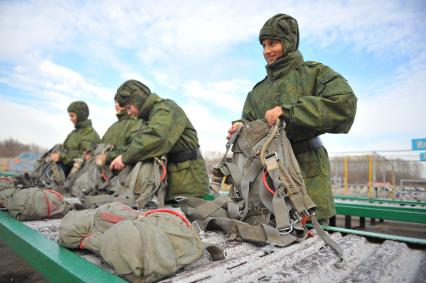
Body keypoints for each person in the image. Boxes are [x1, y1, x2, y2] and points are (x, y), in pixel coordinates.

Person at [227, 14, 357, 222]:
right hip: (268, 175)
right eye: (263, 45)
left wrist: (290, 112)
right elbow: (250, 125)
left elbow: (344, 105)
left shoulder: (314, 73)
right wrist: (240, 128)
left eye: (273, 43)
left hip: (307, 171)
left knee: (313, 234)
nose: (267, 51)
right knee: (273, 231)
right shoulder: (257, 92)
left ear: (288, 43)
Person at [110, 80, 209, 201]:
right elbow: (137, 142)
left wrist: (125, 157)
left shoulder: (165, 109)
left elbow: (155, 138)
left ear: (138, 100)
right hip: (173, 185)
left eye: (129, 107)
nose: (129, 112)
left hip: (189, 185)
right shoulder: (149, 118)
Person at [50, 101, 100, 176]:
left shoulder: (89, 134)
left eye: (72, 116)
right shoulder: (74, 133)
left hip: (78, 177)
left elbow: (85, 157)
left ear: (80, 116)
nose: (70, 119)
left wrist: (60, 156)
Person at [97, 95, 142, 166]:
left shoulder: (137, 122)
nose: (117, 105)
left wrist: (108, 157)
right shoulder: (112, 127)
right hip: (104, 172)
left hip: (125, 173)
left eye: (119, 102)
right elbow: (100, 147)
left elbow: (136, 147)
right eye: (116, 102)